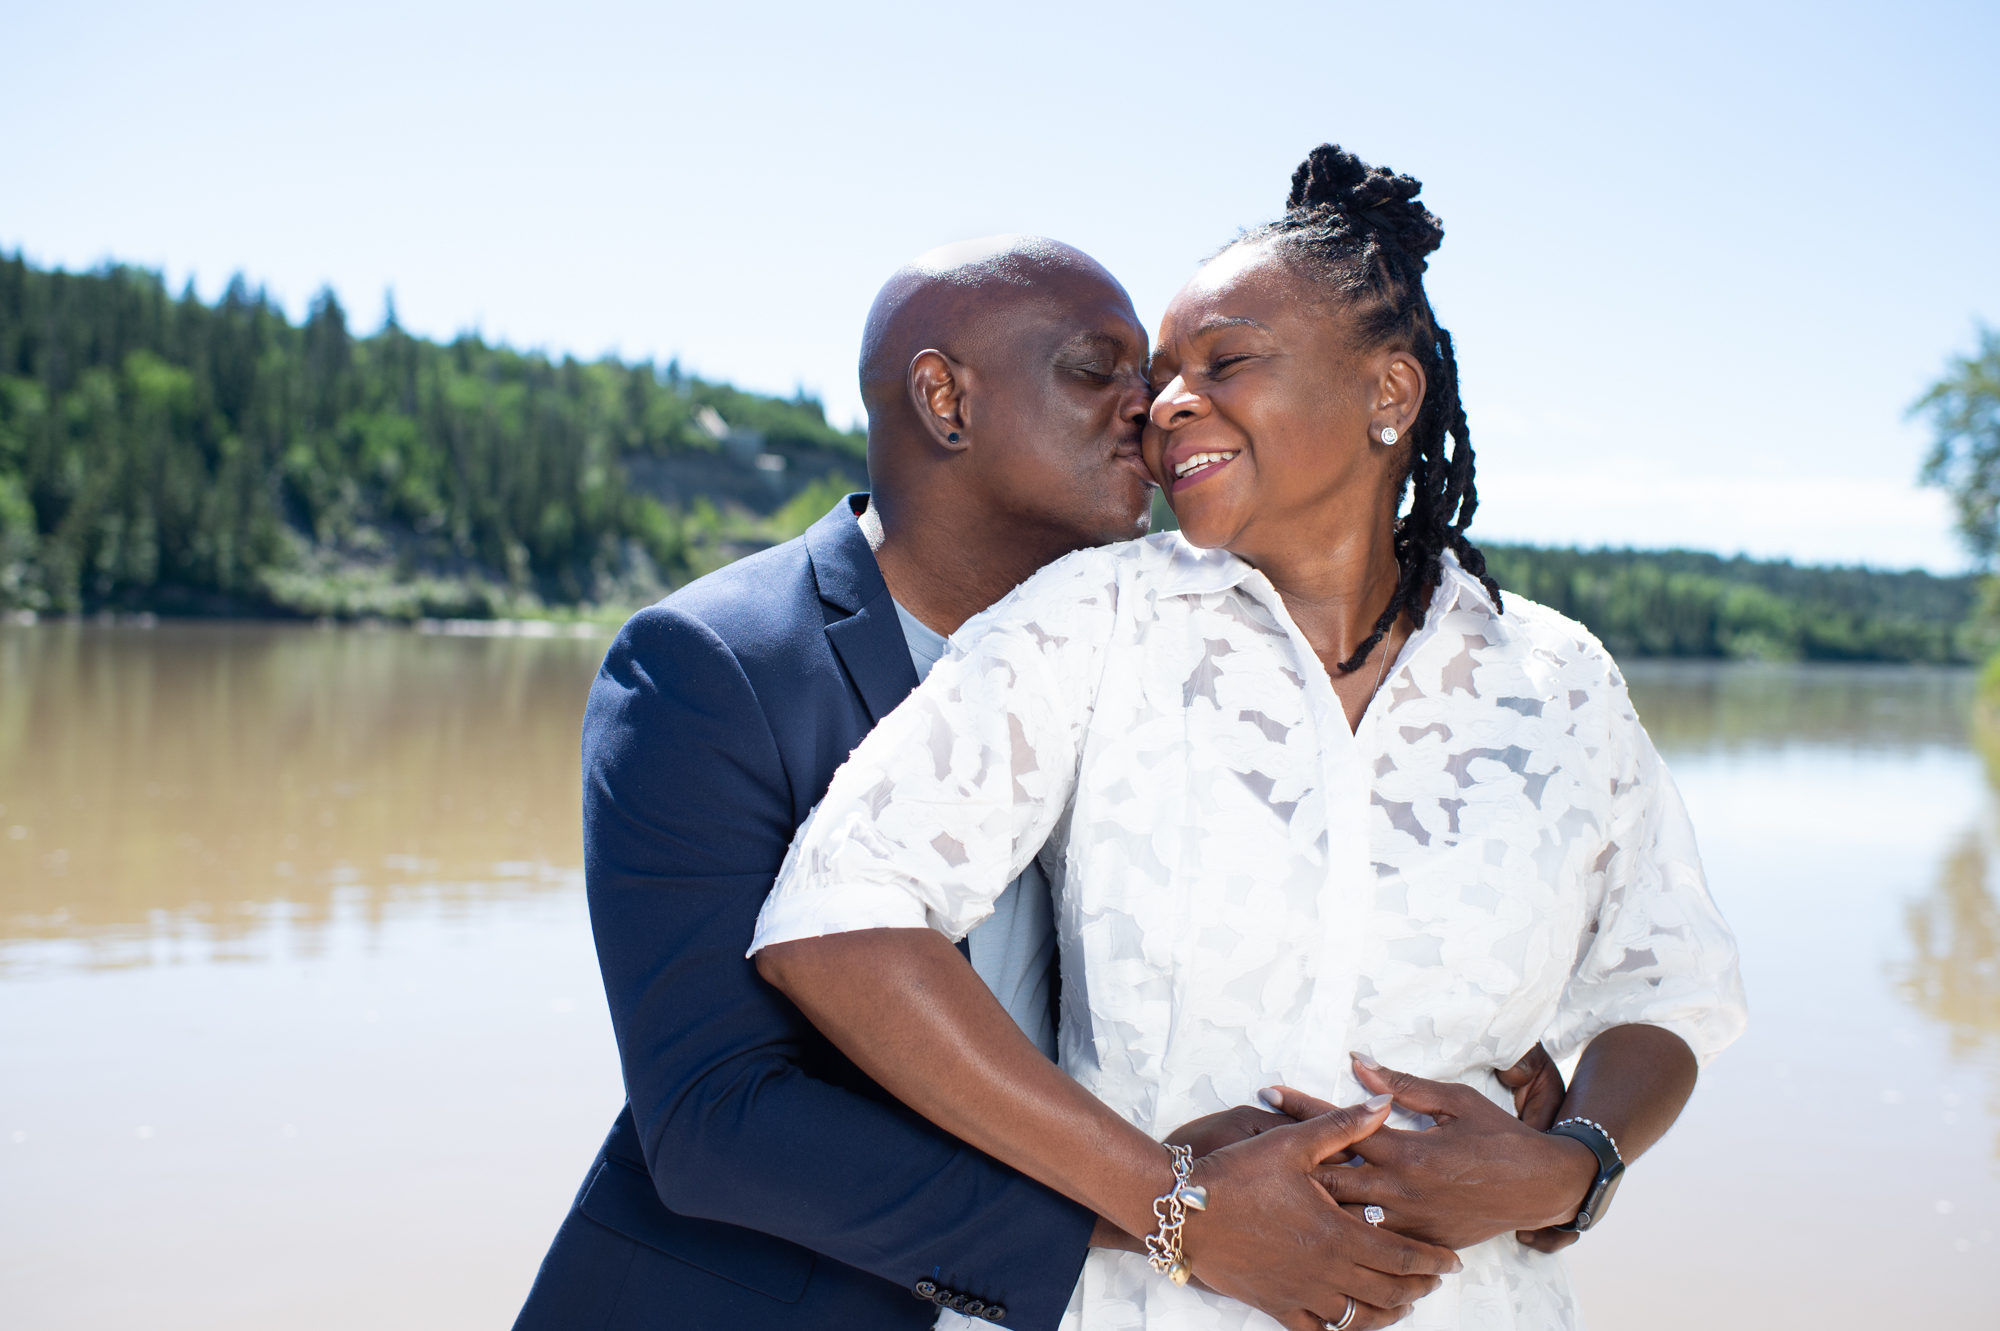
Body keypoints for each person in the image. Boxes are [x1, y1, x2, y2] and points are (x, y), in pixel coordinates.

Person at [750, 146, 1749, 1331]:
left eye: (1224, 363)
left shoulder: (1556, 677)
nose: (1165, 404)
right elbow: (836, 922)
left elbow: (1666, 984)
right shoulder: (1095, 619)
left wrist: (1572, 1166)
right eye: (1162, 377)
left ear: (1386, 394)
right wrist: (1172, 1200)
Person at [512, 235, 1477, 1331]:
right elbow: (717, 1122)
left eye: (1155, 377)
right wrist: (1166, 1210)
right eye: (1095, 370)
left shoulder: (1151, 658)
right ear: (944, 399)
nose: (1151, 408)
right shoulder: (710, 666)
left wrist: (1507, 1063)